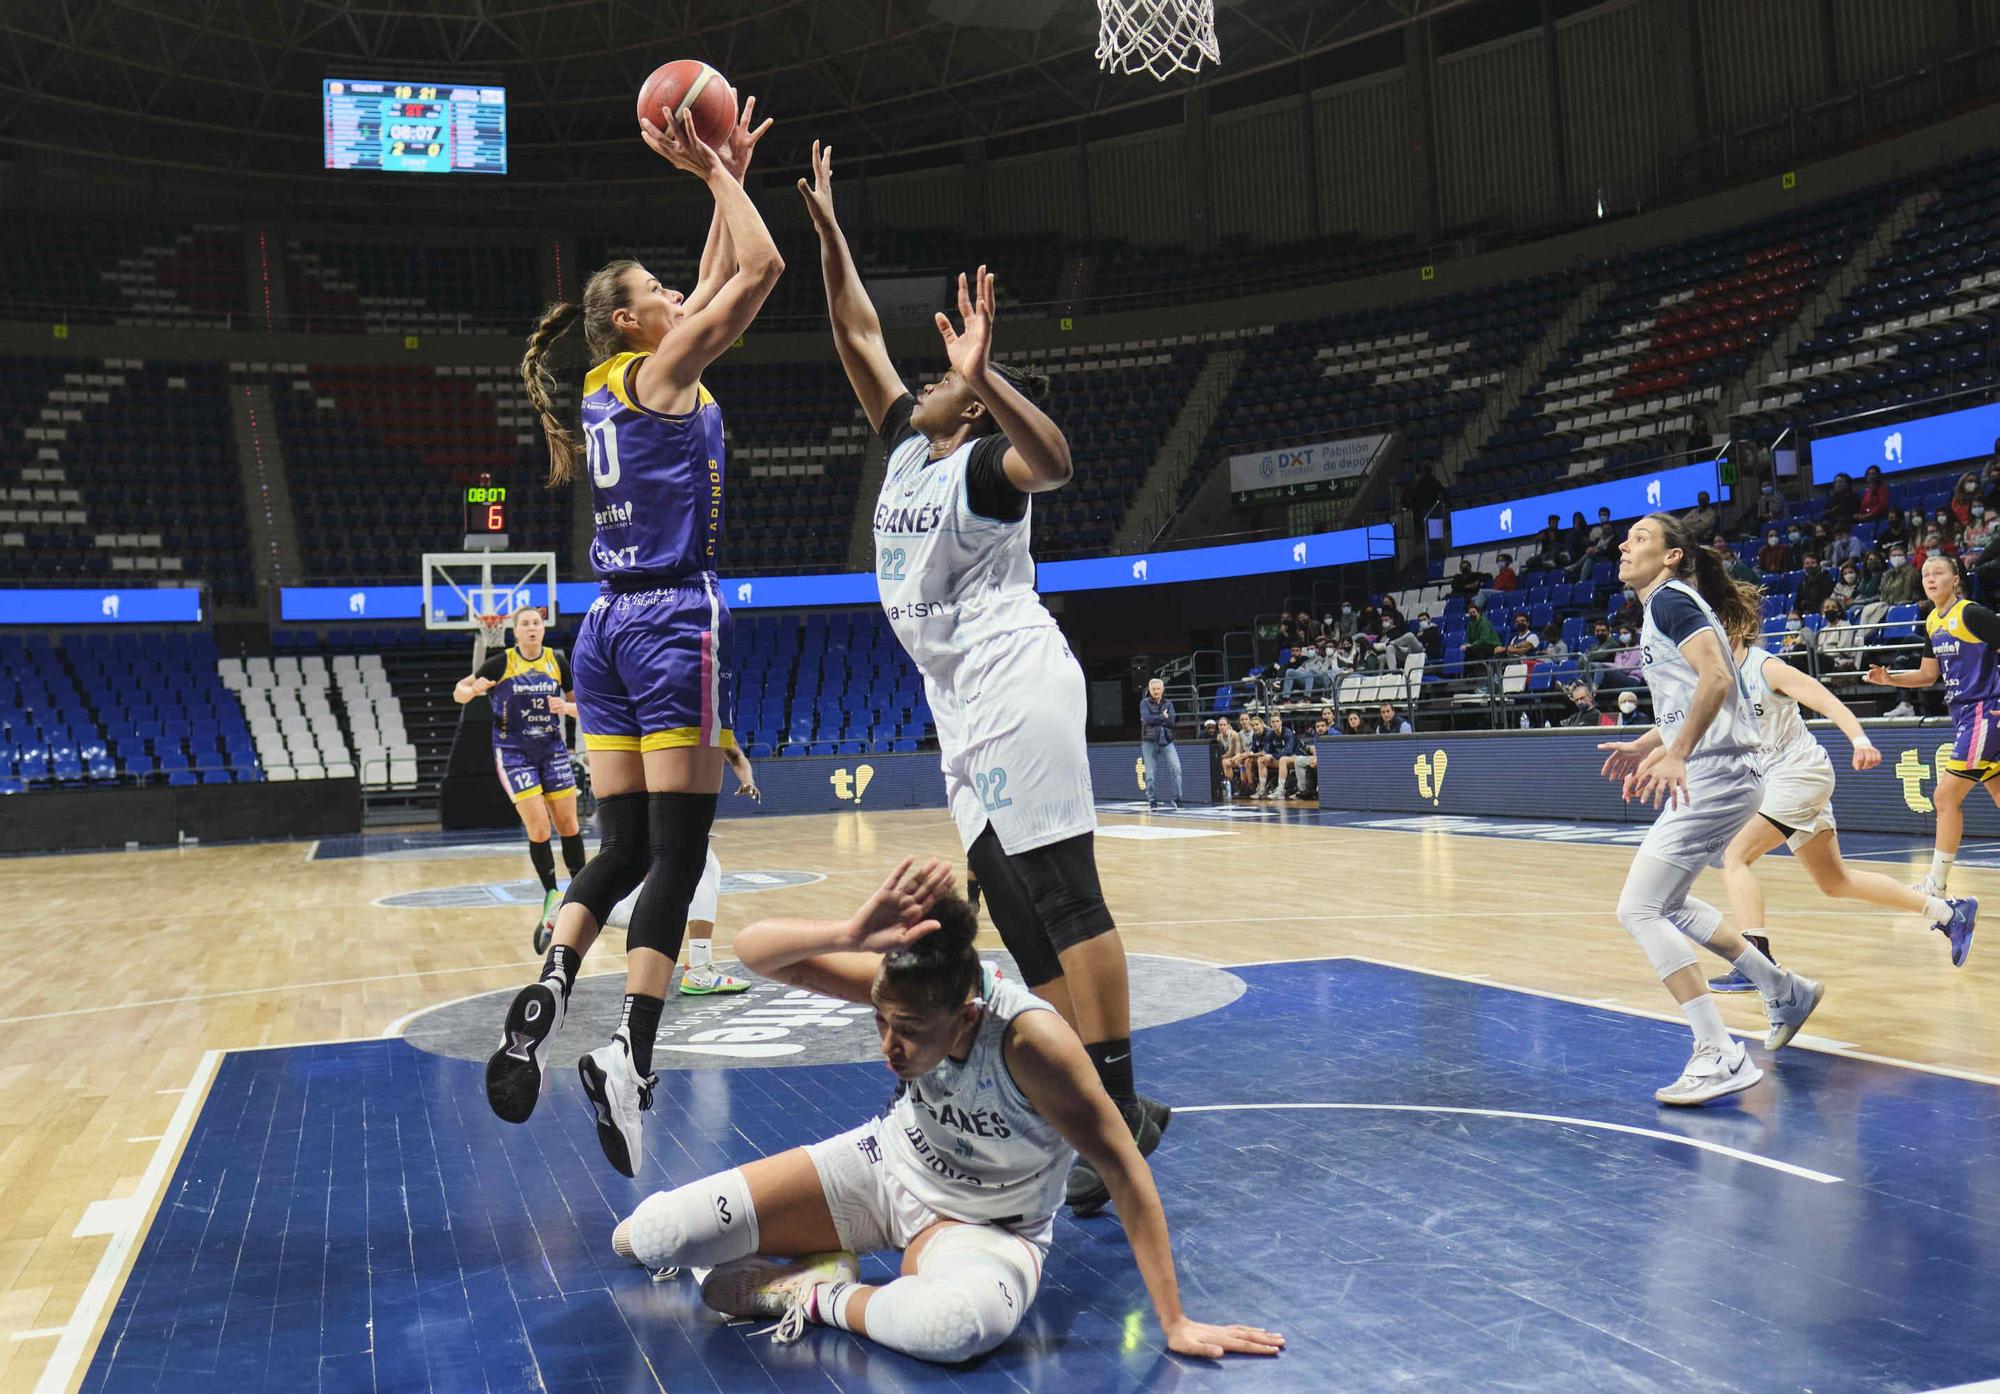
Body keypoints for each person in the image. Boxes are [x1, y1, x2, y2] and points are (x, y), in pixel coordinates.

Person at [801, 141, 1165, 1217]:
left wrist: (984, 377)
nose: (915, 387)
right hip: (958, 703)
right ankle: (1085, 1102)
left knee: (1064, 894)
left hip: (1015, 677)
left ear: (965, 408)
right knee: (1011, 912)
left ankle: (1117, 1112)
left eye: (937, 387)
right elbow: (854, 331)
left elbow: (1051, 459)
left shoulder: (982, 465)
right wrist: (829, 233)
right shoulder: (910, 450)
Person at [609, 858, 1285, 1364]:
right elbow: (757, 950)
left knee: (953, 1330)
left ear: (965, 1018)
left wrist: (1174, 1321)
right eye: (880, 1019)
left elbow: (1124, 1168)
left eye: (907, 1030)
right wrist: (849, 931)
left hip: (989, 1225)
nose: (888, 1047)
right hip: (881, 1172)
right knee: (651, 1237)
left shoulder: (1034, 1044)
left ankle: (814, 1293)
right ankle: (821, 1262)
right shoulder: (905, 985)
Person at [488, 99, 785, 1177]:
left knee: (614, 850)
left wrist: (729, 168)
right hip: (668, 621)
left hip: (599, 629)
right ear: (628, 321)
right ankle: (630, 1052)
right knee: (678, 852)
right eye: (656, 292)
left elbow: (715, 284)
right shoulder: (661, 371)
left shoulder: (611, 381)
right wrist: (716, 174)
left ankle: (548, 987)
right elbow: (759, 271)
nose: (675, 294)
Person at [1594, 512, 1802, 1105]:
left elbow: (1715, 679)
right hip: (1730, 770)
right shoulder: (1670, 604)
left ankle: (1720, 1052)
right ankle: (1784, 990)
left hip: (1716, 771)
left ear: (1672, 556)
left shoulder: (1669, 602)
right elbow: (1702, 693)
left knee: (1639, 909)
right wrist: (1649, 742)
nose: (1623, 546)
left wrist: (1679, 752)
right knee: (1671, 904)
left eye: (1639, 538)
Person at [1706, 616, 1975, 995]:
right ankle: (1950, 913)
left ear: (1732, 625)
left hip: (1800, 774)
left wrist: (1860, 739)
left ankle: (1757, 962)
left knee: (1735, 856)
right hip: (1777, 781)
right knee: (1835, 882)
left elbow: (1826, 699)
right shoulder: (1717, 674)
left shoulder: (1766, 666)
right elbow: (1690, 721)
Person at [1867, 554, 2000, 931]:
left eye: (1938, 571)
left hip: (1985, 713)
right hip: (1965, 716)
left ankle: (1936, 885)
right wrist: (1890, 679)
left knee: (1944, 797)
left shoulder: (1972, 614)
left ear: (1956, 579)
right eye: (1925, 573)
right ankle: (1936, 883)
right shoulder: (1932, 620)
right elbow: (1928, 675)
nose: (1930, 578)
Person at [453, 603, 583, 952]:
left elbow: (579, 704)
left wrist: (566, 709)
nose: (530, 628)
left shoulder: (557, 661)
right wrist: (472, 690)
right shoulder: (501, 663)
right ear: (515, 632)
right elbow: (460, 692)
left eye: (535, 623)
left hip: (552, 750)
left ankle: (583, 892)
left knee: (569, 825)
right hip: (514, 755)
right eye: (524, 623)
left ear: (543, 629)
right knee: (539, 828)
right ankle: (551, 895)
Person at [604, 743, 765, 995]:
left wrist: (748, 781)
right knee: (703, 867)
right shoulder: (678, 716)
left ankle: (573, 912)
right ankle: (699, 969)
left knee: (661, 888)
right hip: (656, 804)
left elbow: (736, 755)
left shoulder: (714, 719)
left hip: (670, 806)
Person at [1138, 677, 1182, 811]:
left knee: (1176, 768)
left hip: (1167, 740)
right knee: (1150, 773)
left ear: (1163, 690)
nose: (1156, 691)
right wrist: (1163, 717)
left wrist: (1158, 719)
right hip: (1149, 742)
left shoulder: (1168, 703)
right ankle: (1152, 800)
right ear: (1149, 690)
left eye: (1158, 689)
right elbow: (1147, 719)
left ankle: (1177, 799)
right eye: (1153, 689)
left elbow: (1172, 722)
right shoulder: (1144, 703)